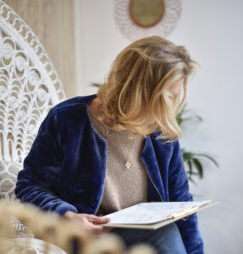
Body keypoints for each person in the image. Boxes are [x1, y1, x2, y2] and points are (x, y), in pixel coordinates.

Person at [15, 36, 203, 253]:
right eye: (167, 97)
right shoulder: (67, 120)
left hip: (144, 241)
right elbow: (30, 186)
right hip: (85, 239)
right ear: (139, 90)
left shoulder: (162, 134)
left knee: (166, 232)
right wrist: (66, 215)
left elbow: (182, 208)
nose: (170, 109)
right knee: (164, 234)